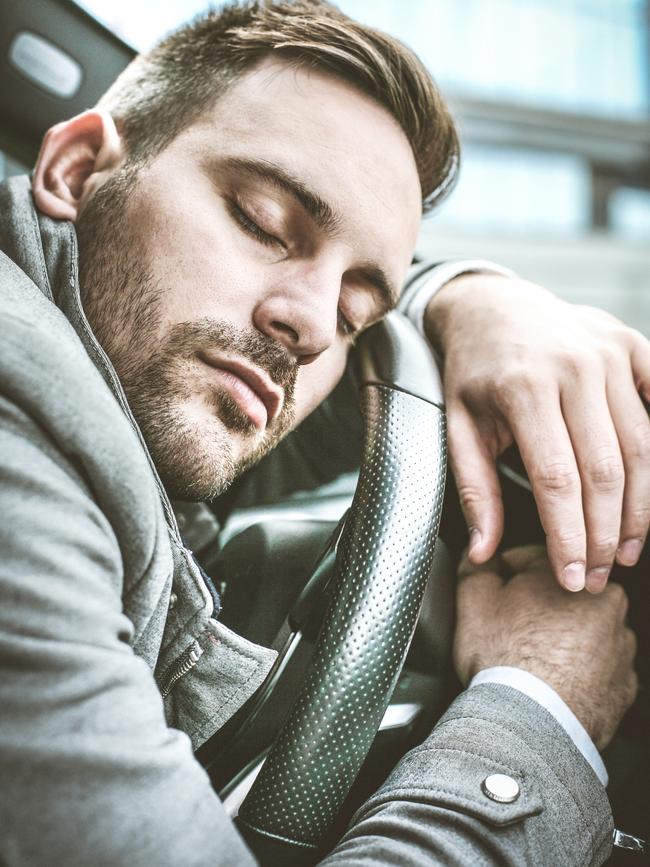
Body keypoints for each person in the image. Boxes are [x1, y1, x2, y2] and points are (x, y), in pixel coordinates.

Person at [0, 1, 645, 863]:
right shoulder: (19, 447)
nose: (310, 326)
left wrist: (464, 299)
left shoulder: (128, 389)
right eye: (264, 222)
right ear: (77, 171)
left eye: (354, 311)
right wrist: (536, 712)